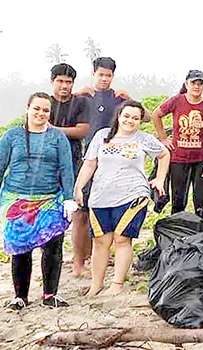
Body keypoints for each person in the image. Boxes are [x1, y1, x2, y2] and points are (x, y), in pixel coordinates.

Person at [0, 92, 78, 309]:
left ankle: (50, 294)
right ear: (27, 108)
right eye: (36, 108)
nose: (41, 113)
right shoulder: (11, 137)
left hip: (49, 199)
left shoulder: (58, 138)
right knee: (20, 247)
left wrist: (69, 199)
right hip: (15, 200)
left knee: (53, 245)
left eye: (46, 110)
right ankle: (20, 296)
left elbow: (66, 169)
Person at [75, 100, 170, 297]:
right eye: (126, 116)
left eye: (135, 118)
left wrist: (160, 179)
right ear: (119, 116)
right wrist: (78, 187)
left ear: (140, 121)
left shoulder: (143, 139)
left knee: (121, 238)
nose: (130, 121)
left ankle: (117, 283)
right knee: (101, 241)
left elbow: (164, 154)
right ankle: (96, 284)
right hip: (100, 197)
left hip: (132, 195)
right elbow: (90, 164)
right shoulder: (102, 136)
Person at [73, 57, 130, 273]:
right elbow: (61, 107)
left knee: (108, 211)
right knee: (81, 212)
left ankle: (101, 256)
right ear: (93, 73)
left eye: (108, 75)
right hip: (85, 160)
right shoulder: (84, 97)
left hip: (112, 163)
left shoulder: (118, 99)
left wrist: (129, 98)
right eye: (101, 74)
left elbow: (142, 116)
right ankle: (79, 262)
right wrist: (76, 94)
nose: (105, 79)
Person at [151, 70, 203, 216]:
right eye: (193, 83)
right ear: (187, 84)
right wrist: (163, 138)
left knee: (201, 201)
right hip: (178, 159)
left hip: (201, 160)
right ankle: (177, 230)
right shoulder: (176, 101)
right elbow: (156, 115)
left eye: (200, 84)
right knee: (178, 200)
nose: (196, 87)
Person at [48, 63, 92, 277]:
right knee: (48, 215)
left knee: (79, 214)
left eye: (68, 82)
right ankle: (48, 264)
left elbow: (83, 130)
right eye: (60, 81)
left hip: (75, 163)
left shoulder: (80, 102)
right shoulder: (44, 103)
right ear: (52, 81)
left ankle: (79, 264)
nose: (64, 85)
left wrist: (54, 130)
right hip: (46, 166)